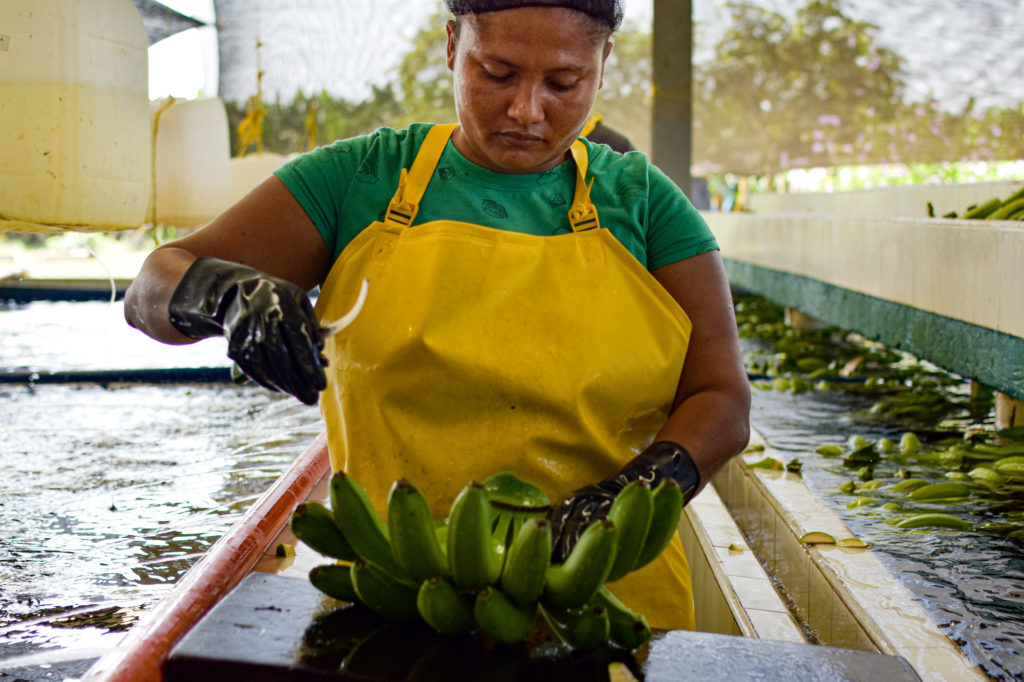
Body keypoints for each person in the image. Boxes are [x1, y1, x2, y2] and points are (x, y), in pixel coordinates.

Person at [123, 0, 750, 631]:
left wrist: (629, 494)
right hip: (402, 598)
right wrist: (225, 295)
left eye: (564, 83)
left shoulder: (644, 203)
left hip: (606, 601)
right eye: (497, 73)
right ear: (453, 45)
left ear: (603, 63)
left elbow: (721, 397)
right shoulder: (360, 179)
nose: (527, 110)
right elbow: (150, 286)